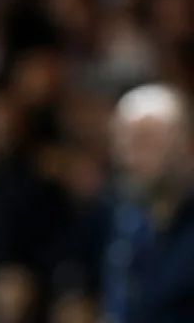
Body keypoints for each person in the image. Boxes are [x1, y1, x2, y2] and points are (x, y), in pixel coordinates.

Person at [60, 84, 194, 322]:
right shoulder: (116, 216)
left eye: (144, 141)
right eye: (121, 142)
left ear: (186, 145)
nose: (128, 156)